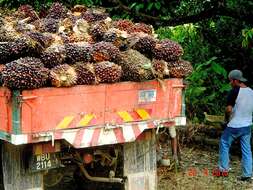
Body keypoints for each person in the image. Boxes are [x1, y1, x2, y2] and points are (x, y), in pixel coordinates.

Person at [218, 69, 253, 181]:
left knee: (224, 143)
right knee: (247, 150)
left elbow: (228, 109)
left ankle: (223, 170)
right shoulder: (251, 91)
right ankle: (247, 174)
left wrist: (226, 120)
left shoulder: (234, 91)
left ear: (235, 80)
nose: (230, 83)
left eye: (231, 81)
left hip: (234, 125)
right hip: (247, 126)